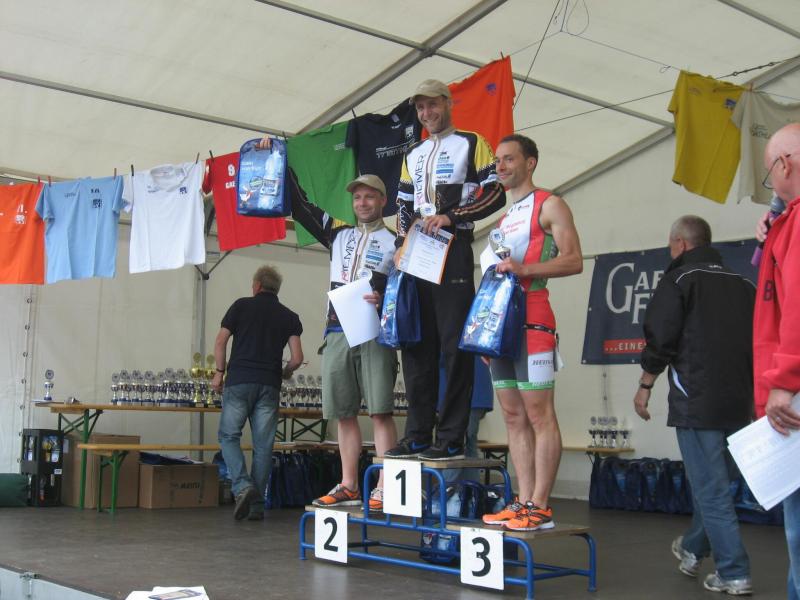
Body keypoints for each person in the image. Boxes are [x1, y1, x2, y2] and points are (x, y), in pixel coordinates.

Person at [632, 215, 754, 595]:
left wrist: (645, 385)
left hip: (697, 400)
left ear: (681, 244)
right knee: (716, 485)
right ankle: (692, 547)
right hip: (741, 402)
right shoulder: (745, 284)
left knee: (711, 490)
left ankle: (734, 572)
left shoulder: (679, 280)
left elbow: (661, 338)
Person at [386, 79, 506, 461]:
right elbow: (403, 203)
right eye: (420, 108)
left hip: (453, 248)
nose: (427, 113)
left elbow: (495, 191)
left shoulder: (471, 142)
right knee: (417, 345)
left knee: (455, 346)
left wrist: (452, 216)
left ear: (448, 103)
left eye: (432, 105)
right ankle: (418, 433)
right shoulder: (413, 153)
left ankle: (452, 435)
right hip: (417, 254)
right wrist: (402, 241)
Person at [272, 151, 398, 511]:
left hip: (375, 332)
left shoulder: (397, 242)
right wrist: (281, 160)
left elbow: (409, 290)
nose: (362, 203)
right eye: (357, 197)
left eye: (369, 196)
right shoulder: (338, 233)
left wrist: (387, 296)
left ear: (383, 201)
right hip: (337, 330)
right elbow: (301, 206)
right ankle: (348, 484)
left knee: (380, 410)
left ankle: (385, 485)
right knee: (343, 411)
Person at [479, 134, 582, 531]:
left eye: (509, 159)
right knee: (511, 414)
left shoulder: (550, 204)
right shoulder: (504, 219)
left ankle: (540, 505)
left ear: (530, 162)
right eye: (497, 161)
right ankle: (522, 501)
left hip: (534, 314)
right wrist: (487, 331)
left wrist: (525, 270)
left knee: (539, 414)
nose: (501, 166)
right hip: (501, 323)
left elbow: (574, 260)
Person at [212, 265, 304, 521]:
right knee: (263, 447)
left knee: (228, 435)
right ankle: (256, 507)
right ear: (277, 289)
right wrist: (285, 372)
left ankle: (243, 487)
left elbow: (220, 341)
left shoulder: (240, 306)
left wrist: (219, 372)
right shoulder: (289, 316)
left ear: (257, 286)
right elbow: (297, 358)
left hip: (239, 381)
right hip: (269, 385)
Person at [753, 123, 800, 600]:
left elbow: (797, 305)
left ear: (785, 165)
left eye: (770, 173)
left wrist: (784, 380)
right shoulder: (787, 223)